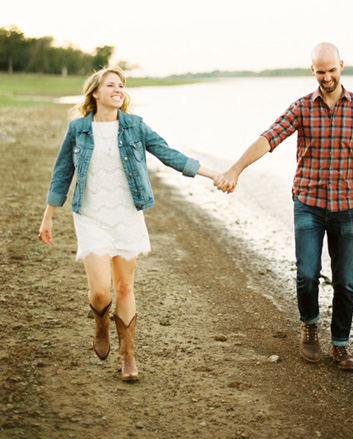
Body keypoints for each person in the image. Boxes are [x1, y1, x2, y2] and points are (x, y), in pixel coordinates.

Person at [39, 66, 221, 381]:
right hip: (91, 215)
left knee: (124, 286)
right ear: (95, 93)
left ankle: (128, 355)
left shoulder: (135, 126)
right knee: (100, 292)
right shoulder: (78, 129)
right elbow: (61, 173)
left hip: (126, 214)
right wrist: (48, 216)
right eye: (111, 85)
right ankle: (100, 321)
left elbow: (169, 155)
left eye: (121, 85)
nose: (118, 89)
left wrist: (213, 174)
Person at [216, 42, 353, 370]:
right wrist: (235, 168)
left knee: (345, 283)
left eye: (332, 70)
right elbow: (270, 137)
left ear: (341, 66)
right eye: (321, 71)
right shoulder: (303, 107)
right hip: (308, 203)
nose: (327, 77)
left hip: (346, 206)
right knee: (307, 275)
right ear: (313, 71)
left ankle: (341, 346)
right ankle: (309, 328)